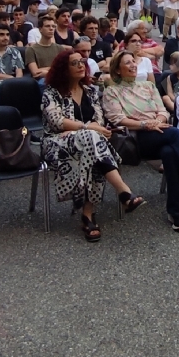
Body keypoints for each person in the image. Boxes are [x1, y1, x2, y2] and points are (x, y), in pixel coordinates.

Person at [104, 50, 179, 231]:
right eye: (127, 63)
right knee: (174, 134)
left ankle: (177, 212)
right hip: (135, 138)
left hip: (159, 132)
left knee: (170, 152)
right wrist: (146, 124)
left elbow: (163, 111)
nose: (133, 65)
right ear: (118, 70)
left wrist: (158, 121)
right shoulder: (112, 91)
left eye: (133, 61)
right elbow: (117, 119)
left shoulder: (148, 86)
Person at [41, 48, 145, 241]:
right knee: (92, 139)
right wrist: (86, 128)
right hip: (56, 143)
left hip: (90, 144)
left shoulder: (90, 91)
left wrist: (94, 130)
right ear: (64, 68)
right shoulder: (52, 92)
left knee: (92, 146)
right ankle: (123, 193)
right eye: (75, 63)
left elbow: (99, 120)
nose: (81, 65)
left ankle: (88, 215)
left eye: (82, 61)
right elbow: (56, 122)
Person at [25, 15, 62, 83]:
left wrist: (46, 71)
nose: (51, 29)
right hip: (42, 82)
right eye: (47, 26)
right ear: (40, 29)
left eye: (53, 26)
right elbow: (35, 72)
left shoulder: (60, 48)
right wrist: (55, 69)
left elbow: (64, 69)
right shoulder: (31, 50)